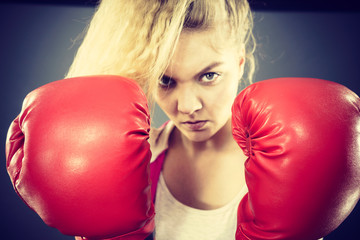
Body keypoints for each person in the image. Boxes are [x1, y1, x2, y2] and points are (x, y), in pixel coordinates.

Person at [5, 0, 360, 240]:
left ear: (239, 63)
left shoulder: (293, 155)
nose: (188, 106)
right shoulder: (119, 159)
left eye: (208, 76)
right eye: (165, 79)